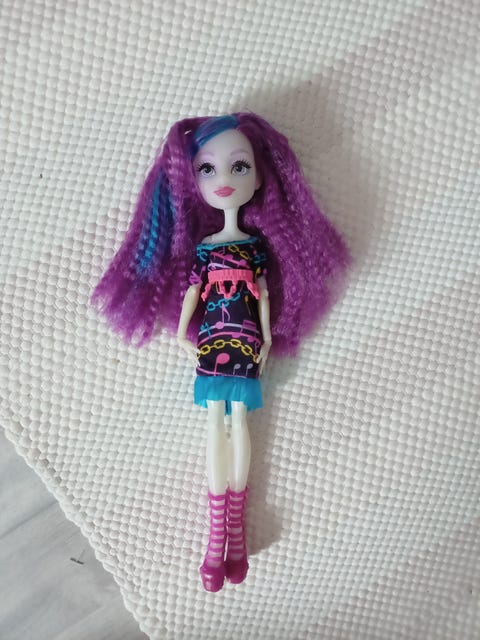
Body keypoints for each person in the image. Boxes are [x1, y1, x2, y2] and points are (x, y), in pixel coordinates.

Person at [91, 112, 350, 592]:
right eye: (207, 169)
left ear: (260, 177)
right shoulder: (207, 249)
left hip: (245, 338)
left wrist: (266, 336)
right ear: (193, 184)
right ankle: (217, 536)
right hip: (212, 339)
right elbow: (194, 291)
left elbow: (263, 294)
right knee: (217, 422)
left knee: (239, 421)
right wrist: (182, 333)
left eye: (239, 166)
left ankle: (235, 528)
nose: (224, 179)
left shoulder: (253, 248)